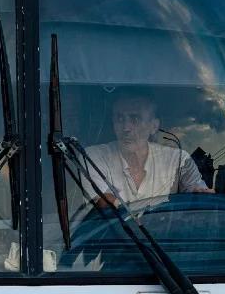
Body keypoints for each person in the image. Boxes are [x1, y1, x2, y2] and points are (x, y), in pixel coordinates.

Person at [83, 89, 213, 208]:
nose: (126, 128)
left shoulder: (178, 160)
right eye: (120, 118)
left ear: (154, 126)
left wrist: (200, 195)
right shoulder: (92, 157)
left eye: (135, 119)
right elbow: (102, 202)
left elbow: (198, 197)